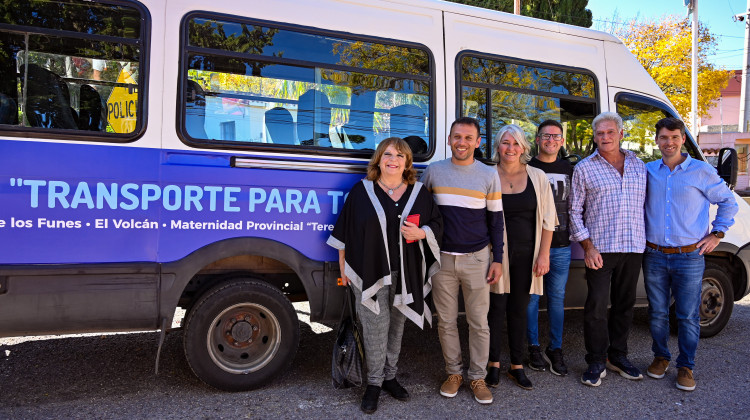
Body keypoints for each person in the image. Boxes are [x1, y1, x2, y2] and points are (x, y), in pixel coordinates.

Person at [327, 137, 443, 414]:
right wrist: (344, 270)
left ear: (407, 163)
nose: (393, 160)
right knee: (374, 329)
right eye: (388, 154)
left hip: (406, 273)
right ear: (378, 159)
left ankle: (390, 377)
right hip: (370, 273)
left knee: (396, 328)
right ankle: (374, 384)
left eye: (400, 156)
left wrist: (423, 232)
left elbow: (438, 223)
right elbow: (345, 232)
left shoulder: (419, 193)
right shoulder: (361, 191)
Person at [643, 117, 737, 391]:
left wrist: (717, 234)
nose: (668, 142)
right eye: (663, 137)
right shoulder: (649, 171)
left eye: (674, 137)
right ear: (657, 140)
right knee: (658, 313)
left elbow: (728, 202)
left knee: (686, 315)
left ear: (683, 139)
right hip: (655, 254)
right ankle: (661, 358)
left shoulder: (701, 171)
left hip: (689, 256)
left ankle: (686, 366)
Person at [420, 117, 504, 405]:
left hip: (477, 259)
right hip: (441, 259)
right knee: (445, 321)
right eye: (457, 136)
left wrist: (498, 259)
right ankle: (453, 373)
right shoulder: (433, 172)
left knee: (479, 322)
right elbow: (420, 211)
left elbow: (496, 221)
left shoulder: (489, 174)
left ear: (478, 142)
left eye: (469, 138)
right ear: (449, 139)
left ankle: (477, 376)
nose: (462, 142)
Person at [569, 111, 647, 387]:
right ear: (594, 136)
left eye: (610, 132)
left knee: (625, 306)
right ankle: (596, 360)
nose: (605, 137)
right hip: (600, 250)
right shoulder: (585, 168)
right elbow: (574, 211)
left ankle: (618, 356)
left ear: (621, 134)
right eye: (600, 133)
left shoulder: (639, 166)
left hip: (634, 246)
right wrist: (587, 247)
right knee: (597, 307)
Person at [486, 124, 556, 390]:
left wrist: (544, 255)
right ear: (498, 146)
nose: (510, 149)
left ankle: (517, 365)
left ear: (525, 147)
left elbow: (549, 220)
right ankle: (492, 363)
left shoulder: (537, 176)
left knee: (519, 309)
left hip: (528, 253)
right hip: (496, 254)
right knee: (495, 310)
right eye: (505, 143)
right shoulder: (488, 174)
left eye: (516, 143)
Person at [525, 120, 574, 376]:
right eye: (546, 136)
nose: (551, 140)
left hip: (562, 246)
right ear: (537, 139)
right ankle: (533, 347)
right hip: (533, 246)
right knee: (531, 299)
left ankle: (555, 348)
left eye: (556, 137)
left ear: (562, 141)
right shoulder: (526, 167)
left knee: (557, 300)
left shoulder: (570, 169)